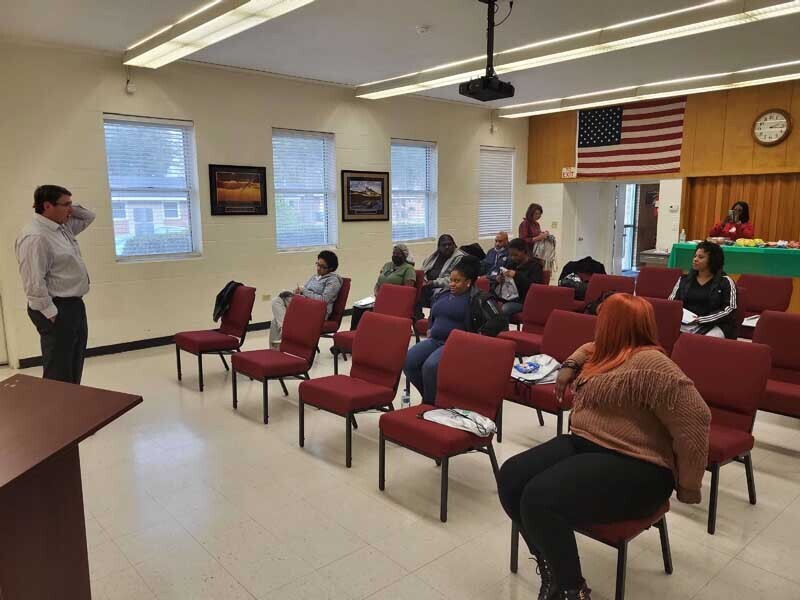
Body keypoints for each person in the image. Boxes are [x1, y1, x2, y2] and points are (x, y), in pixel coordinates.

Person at [497, 294, 711, 600]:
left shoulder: (652, 363)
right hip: (588, 442)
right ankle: (551, 568)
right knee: (512, 476)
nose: (597, 325)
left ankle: (571, 589)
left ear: (615, 326)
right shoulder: (607, 351)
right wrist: (570, 365)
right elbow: (588, 348)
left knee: (538, 498)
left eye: (603, 319)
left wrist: (689, 485)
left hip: (638, 466)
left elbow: (696, 418)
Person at [15, 185, 95, 384]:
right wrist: (51, 314)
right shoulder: (36, 236)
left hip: (73, 305)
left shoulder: (62, 227)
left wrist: (68, 206)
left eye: (71, 204)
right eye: (66, 205)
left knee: (73, 363)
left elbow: (89, 216)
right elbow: (33, 282)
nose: (70, 210)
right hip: (56, 308)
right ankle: (54, 412)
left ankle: (69, 408)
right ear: (47, 205)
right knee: (58, 369)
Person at [404, 256, 507, 405]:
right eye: (451, 280)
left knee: (430, 366)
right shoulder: (443, 294)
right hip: (435, 340)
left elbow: (499, 320)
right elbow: (434, 313)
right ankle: (431, 397)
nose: (452, 284)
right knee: (409, 361)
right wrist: (431, 327)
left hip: (456, 344)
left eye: (457, 281)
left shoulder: (479, 298)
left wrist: (479, 335)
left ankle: (430, 404)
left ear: (468, 282)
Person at [269, 250, 342, 347]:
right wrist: (297, 292)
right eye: (318, 264)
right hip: (305, 305)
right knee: (277, 303)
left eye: (322, 267)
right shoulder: (315, 277)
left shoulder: (333, 281)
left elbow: (323, 300)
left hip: (318, 311)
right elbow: (305, 290)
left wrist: (304, 291)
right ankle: (276, 350)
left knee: (277, 311)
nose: (318, 268)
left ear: (331, 268)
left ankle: (284, 331)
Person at [669, 241, 737, 339]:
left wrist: (701, 320)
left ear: (712, 261)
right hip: (686, 322)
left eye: (701, 257)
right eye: (695, 256)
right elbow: (672, 302)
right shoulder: (684, 279)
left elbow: (730, 309)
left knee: (704, 342)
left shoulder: (725, 281)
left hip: (715, 324)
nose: (695, 259)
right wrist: (680, 316)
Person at [349, 244, 416, 330]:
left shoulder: (409, 269)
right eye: (394, 253)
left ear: (404, 255)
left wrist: (387, 297)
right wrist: (377, 293)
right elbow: (378, 283)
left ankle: (366, 334)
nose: (395, 255)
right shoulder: (387, 265)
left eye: (398, 254)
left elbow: (408, 291)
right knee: (357, 307)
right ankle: (355, 334)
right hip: (380, 297)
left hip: (395, 300)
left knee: (366, 312)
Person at [417, 234, 466, 316]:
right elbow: (423, 270)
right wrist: (423, 280)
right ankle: (418, 319)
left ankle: (433, 318)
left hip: (445, 287)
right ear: (439, 247)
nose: (447, 247)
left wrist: (433, 283)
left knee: (436, 294)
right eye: (444, 245)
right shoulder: (433, 257)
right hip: (428, 284)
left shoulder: (459, 258)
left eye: (449, 244)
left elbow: (454, 279)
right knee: (415, 291)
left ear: (454, 245)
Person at [494, 238, 544, 317]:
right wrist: (499, 280)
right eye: (511, 255)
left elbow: (534, 287)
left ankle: (502, 329)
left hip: (524, 300)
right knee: (489, 304)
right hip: (508, 296)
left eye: (516, 255)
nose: (513, 257)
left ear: (524, 251)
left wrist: (517, 275)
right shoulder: (511, 264)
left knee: (505, 309)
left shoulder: (535, 266)